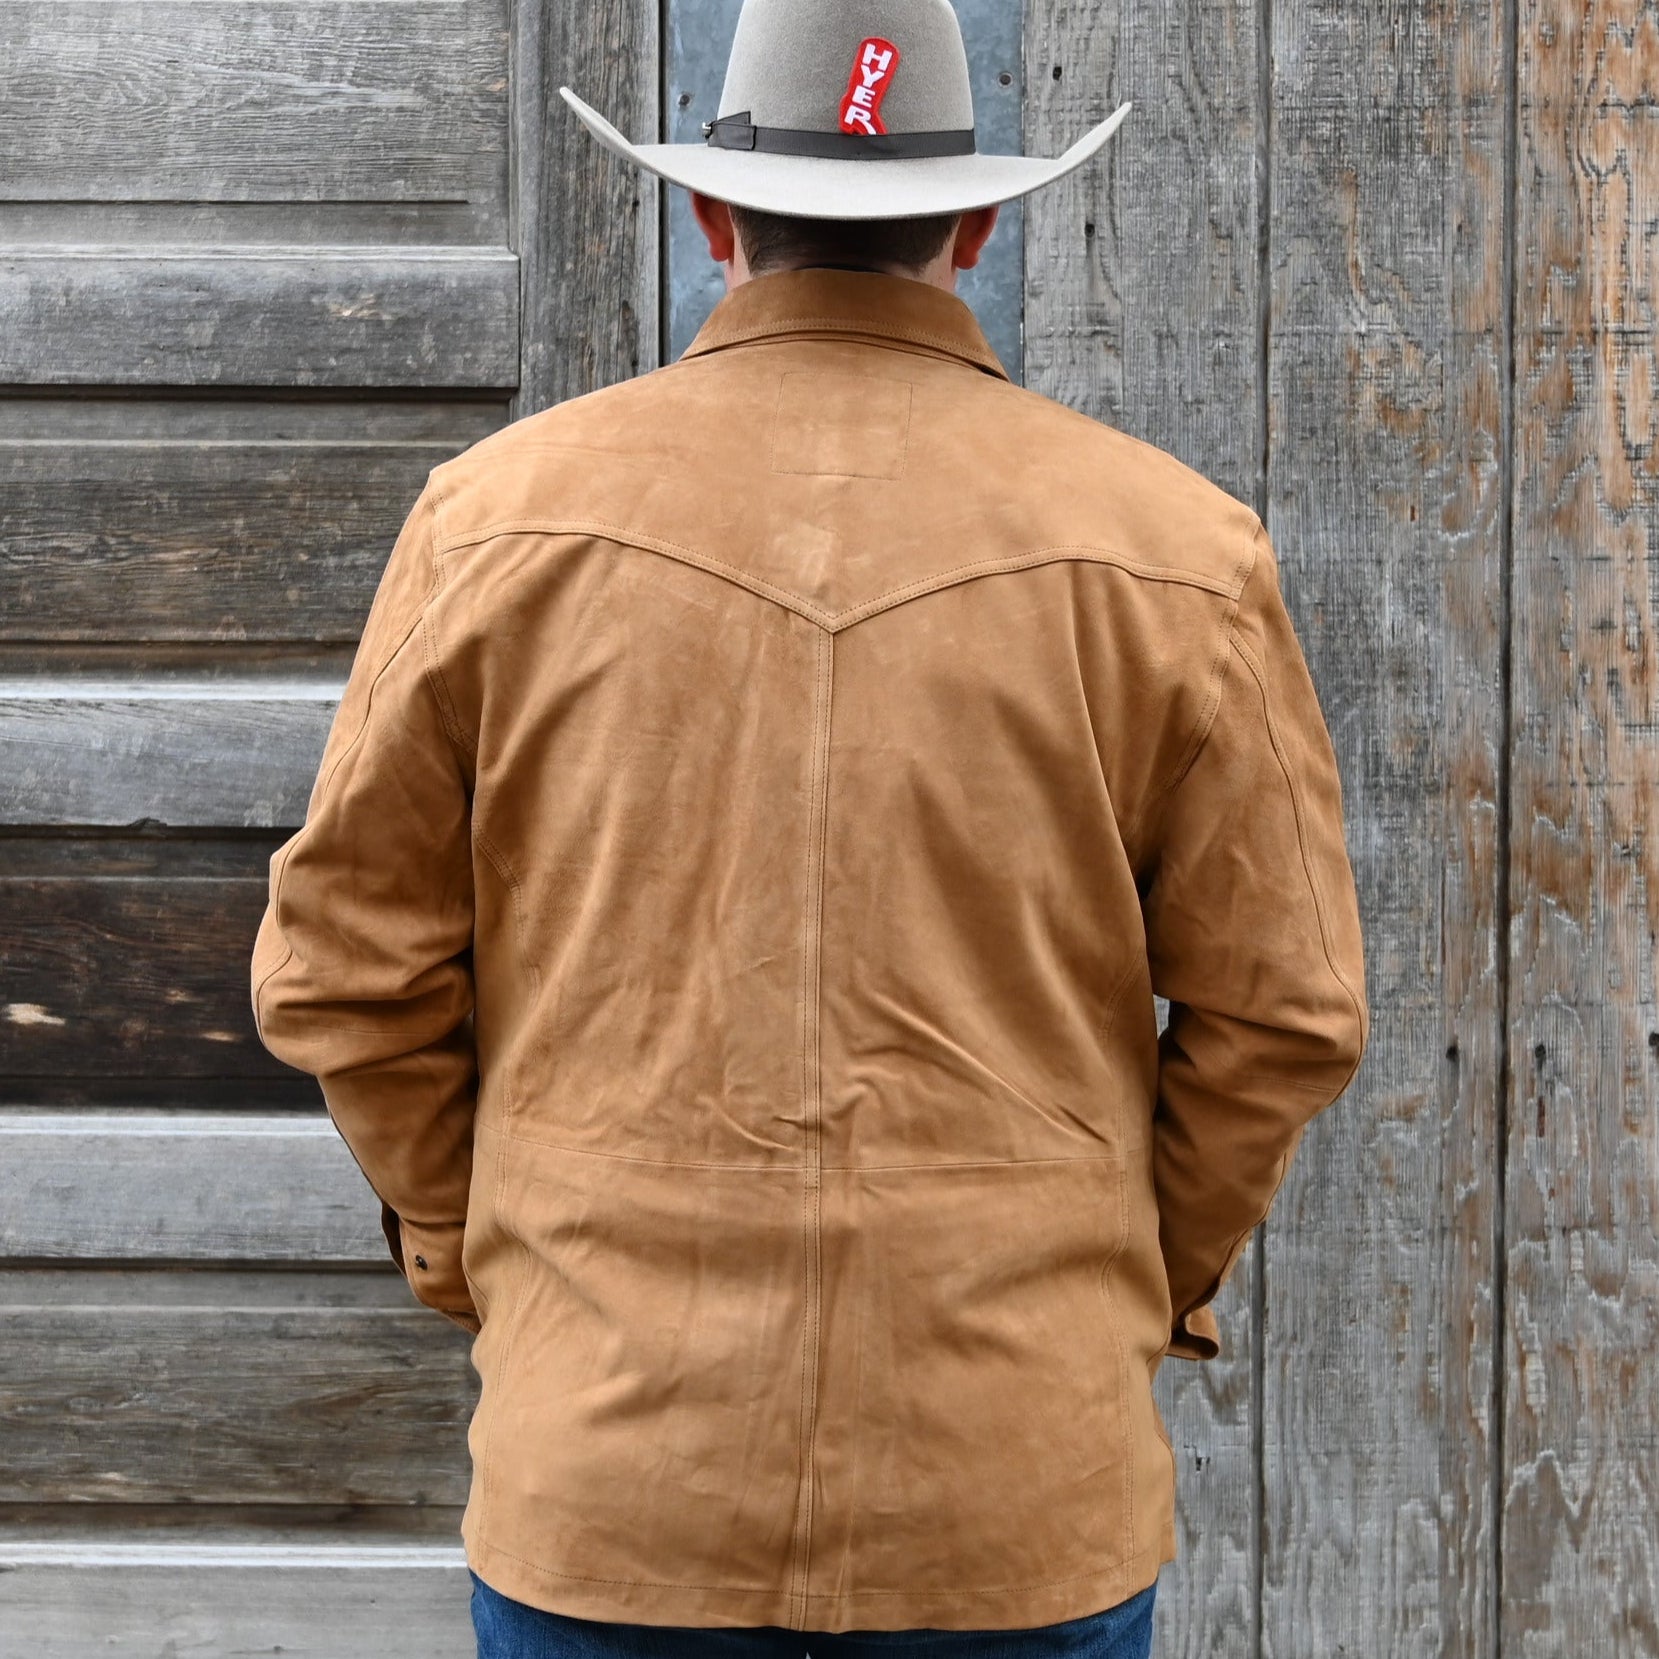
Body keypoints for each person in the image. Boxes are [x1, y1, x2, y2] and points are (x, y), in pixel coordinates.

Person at [249, 1, 1369, 1655]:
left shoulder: (496, 521)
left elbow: (343, 973)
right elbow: (1285, 1015)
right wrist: (1118, 1280)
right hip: (1015, 1499)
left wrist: (492, 1260)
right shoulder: (1174, 552)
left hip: (613, 1492)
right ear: (977, 220)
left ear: (712, 215)